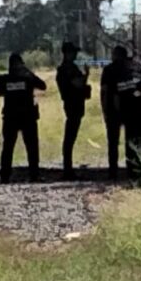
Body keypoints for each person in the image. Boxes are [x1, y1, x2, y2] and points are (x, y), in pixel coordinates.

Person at [0, 53, 47, 184]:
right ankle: (32, 175)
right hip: (25, 116)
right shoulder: (26, 78)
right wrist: (27, 73)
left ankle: (6, 176)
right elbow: (42, 85)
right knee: (28, 147)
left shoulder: (4, 79)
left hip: (12, 117)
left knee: (10, 147)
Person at [101, 46, 141, 180]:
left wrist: (104, 110)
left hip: (113, 109)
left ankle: (113, 171)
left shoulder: (109, 70)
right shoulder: (133, 68)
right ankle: (133, 170)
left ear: (114, 55)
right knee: (132, 141)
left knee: (113, 142)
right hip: (132, 109)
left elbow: (105, 91)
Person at [56, 41, 90, 180]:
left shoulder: (70, 68)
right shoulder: (67, 69)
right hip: (72, 104)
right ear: (67, 53)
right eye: (73, 52)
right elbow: (77, 83)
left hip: (75, 103)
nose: (75, 55)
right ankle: (67, 169)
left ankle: (68, 168)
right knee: (69, 137)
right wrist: (86, 75)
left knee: (70, 137)